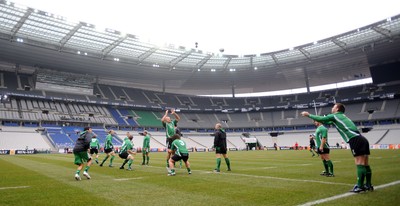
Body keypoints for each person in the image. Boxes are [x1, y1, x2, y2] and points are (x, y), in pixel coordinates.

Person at [301, 103, 373, 193]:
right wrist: (322, 119)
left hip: (355, 139)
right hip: (361, 139)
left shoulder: (336, 115)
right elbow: (326, 121)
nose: (332, 108)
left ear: (337, 109)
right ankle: (368, 185)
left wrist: (308, 115)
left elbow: (322, 119)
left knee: (360, 163)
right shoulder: (341, 116)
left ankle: (360, 186)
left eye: (333, 107)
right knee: (365, 164)